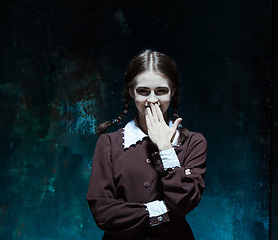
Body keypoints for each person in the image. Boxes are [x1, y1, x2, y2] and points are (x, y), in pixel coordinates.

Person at [86, 49, 207, 240]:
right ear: (131, 92)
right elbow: (103, 213)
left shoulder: (194, 142)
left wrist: (165, 148)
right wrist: (160, 211)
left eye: (161, 91)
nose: (152, 100)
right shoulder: (108, 144)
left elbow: (183, 203)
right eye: (143, 91)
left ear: (173, 92)